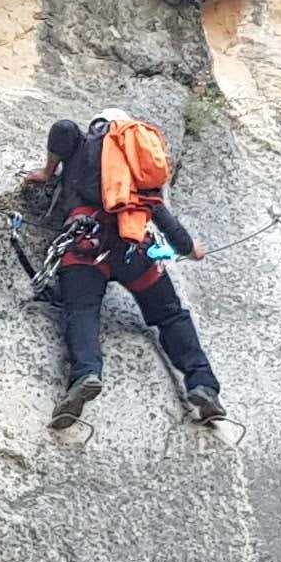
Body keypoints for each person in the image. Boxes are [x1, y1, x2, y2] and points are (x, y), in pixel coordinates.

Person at [20, 112, 223, 428]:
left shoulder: (81, 147)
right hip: (134, 249)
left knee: (82, 310)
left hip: (86, 245)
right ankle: (203, 384)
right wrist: (189, 249)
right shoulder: (135, 165)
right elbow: (160, 215)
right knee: (170, 315)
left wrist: (48, 171)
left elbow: (61, 129)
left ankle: (86, 374)